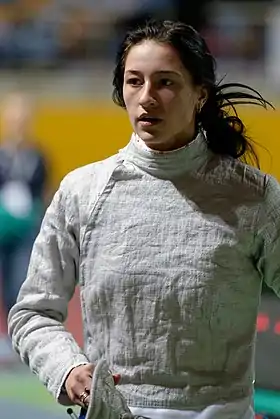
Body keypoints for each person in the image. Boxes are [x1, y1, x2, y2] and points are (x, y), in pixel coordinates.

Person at [7, 19, 279, 419]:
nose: (147, 97)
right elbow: (32, 313)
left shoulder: (252, 196)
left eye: (166, 83)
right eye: (134, 82)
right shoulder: (83, 192)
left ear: (200, 94)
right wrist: (66, 370)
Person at [0, 92, 48, 318]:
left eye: (22, 120)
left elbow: (44, 190)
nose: (18, 125)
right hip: (1, 227)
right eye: (14, 120)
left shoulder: (37, 156)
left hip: (26, 229)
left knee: (20, 279)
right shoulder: (2, 156)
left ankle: (16, 330)